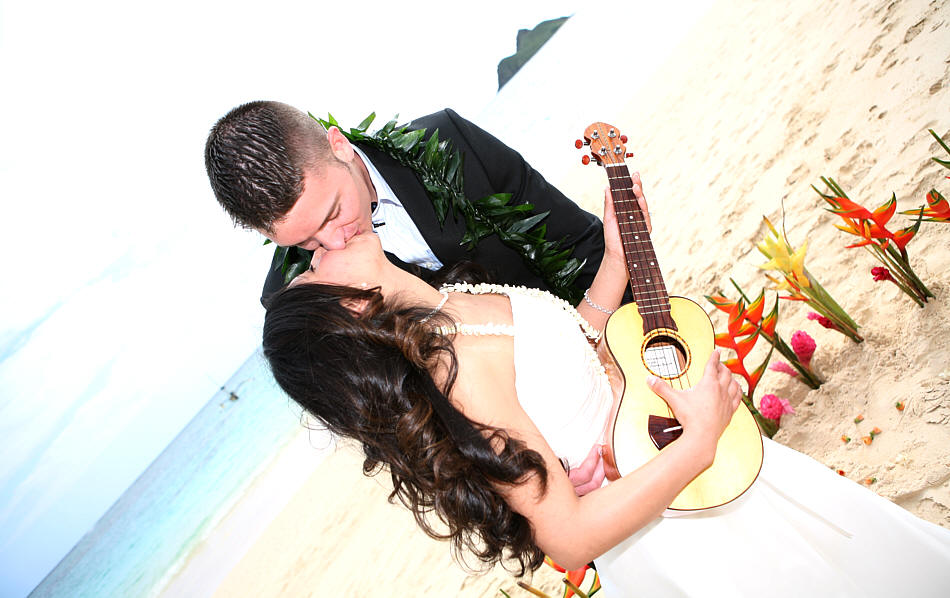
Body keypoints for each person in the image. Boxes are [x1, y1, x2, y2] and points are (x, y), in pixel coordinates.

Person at [261, 189, 950, 596]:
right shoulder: (458, 371)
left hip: (695, 480)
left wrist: (617, 260)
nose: (313, 252)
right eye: (311, 271)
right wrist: (702, 438)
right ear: (351, 312)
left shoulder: (449, 305)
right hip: (679, 526)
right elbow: (567, 535)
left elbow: (563, 350)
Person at [203, 100, 627, 304]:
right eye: (306, 242)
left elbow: (578, 244)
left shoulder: (450, 143)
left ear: (339, 145)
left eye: (333, 212)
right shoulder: (291, 296)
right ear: (265, 233)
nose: (334, 244)